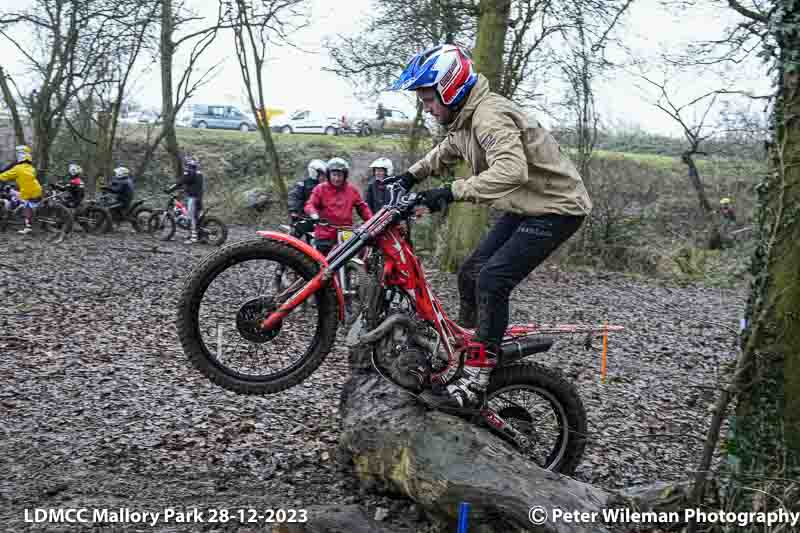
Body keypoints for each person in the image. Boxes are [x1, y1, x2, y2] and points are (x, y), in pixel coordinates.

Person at [387, 44, 592, 408]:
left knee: (493, 279)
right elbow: (446, 151)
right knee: (470, 273)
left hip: (558, 208)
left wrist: (451, 192)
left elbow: (512, 171)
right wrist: (409, 176)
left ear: (450, 88)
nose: (427, 108)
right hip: (529, 205)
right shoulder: (464, 119)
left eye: (429, 100)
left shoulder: (489, 116)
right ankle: (467, 354)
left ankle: (478, 377)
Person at [304, 157, 373, 256]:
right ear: (329, 174)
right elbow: (310, 204)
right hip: (325, 234)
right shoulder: (320, 189)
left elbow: (362, 208)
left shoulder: (352, 190)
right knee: (322, 264)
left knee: (352, 260)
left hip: (346, 233)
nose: (336, 178)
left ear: (345, 176)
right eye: (334, 175)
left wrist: (371, 221)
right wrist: (314, 214)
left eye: (340, 175)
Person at [0, 145, 42, 234]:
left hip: (28, 192)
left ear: (20, 156)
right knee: (27, 206)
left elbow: (4, 176)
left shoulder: (18, 168)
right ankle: (28, 225)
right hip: (37, 189)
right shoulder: (31, 168)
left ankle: (27, 226)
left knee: (17, 198)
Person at [166, 156, 204, 244]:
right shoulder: (199, 173)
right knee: (195, 216)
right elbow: (193, 184)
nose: (185, 167)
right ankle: (198, 234)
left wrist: (169, 189)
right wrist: (185, 189)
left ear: (188, 165)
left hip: (193, 198)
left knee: (191, 217)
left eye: (186, 165)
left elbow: (180, 182)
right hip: (199, 197)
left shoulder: (189, 173)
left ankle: (193, 238)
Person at [287, 159, 327, 240]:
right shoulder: (302, 185)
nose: (324, 177)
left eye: (324, 175)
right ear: (315, 172)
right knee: (293, 238)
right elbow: (293, 197)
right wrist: (294, 211)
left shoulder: (324, 186)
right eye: (322, 174)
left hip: (317, 219)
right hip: (302, 217)